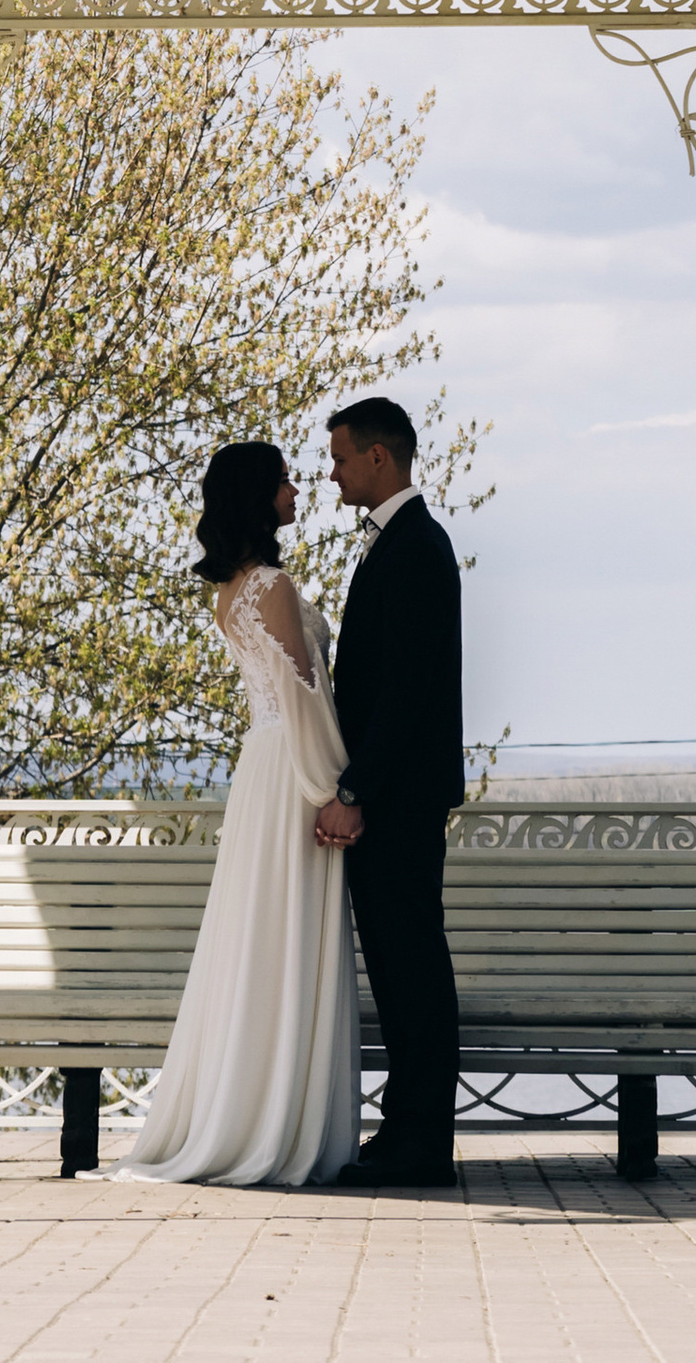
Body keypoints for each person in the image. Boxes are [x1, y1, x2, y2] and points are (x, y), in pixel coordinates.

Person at [119, 441, 360, 1187]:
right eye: (286, 480)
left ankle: (256, 1107)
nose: (298, 489)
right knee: (285, 936)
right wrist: (334, 789)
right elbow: (303, 697)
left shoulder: (229, 593)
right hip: (293, 767)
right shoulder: (275, 587)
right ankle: (275, 1121)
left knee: (263, 938)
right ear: (259, 497)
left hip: (263, 767)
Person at [312, 394, 463, 1190]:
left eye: (339, 457)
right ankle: (407, 1130)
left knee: (412, 969)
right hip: (394, 795)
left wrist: (356, 789)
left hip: (399, 800)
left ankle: (422, 1142)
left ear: (379, 457)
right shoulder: (399, 542)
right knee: (400, 968)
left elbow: (403, 691)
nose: (331, 472)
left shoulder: (415, 546)